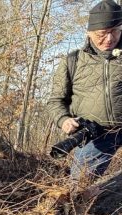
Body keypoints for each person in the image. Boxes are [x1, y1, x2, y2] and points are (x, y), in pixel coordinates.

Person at [46, 0, 122, 180]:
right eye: (102, 34)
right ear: (89, 33)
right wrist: (64, 120)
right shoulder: (73, 61)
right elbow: (56, 100)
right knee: (80, 186)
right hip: (97, 133)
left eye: (115, 31)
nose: (109, 39)